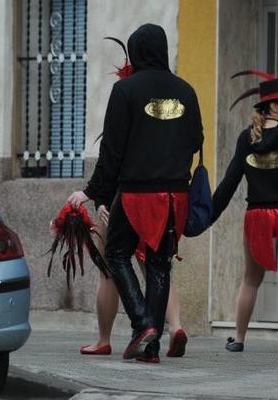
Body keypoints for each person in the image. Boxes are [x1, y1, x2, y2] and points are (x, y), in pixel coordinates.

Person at [68, 23, 203, 364]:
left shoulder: (126, 90)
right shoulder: (186, 91)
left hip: (137, 193)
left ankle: (142, 324)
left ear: (135, 52)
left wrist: (93, 192)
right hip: (175, 193)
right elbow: (196, 140)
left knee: (116, 254)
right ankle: (152, 344)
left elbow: (112, 150)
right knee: (159, 263)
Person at [210, 71, 278, 354]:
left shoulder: (247, 138)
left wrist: (207, 216)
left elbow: (230, 181)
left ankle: (239, 338)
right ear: (273, 106)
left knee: (250, 279)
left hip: (257, 215)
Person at [78, 214, 188, 358]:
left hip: (118, 204)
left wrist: (92, 196)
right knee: (156, 270)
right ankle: (175, 327)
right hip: (151, 206)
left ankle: (104, 340)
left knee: (108, 272)